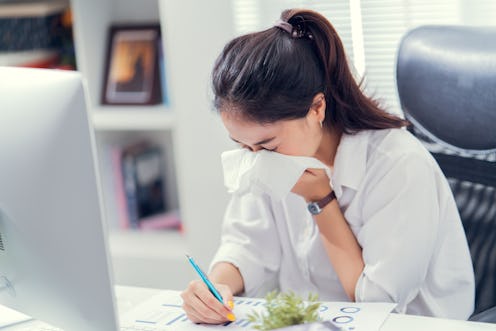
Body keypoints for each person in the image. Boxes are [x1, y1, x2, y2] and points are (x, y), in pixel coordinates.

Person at [180, 8, 475, 324]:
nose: (257, 158)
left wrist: (320, 200)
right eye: (243, 146)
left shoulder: (399, 167)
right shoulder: (266, 156)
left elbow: (377, 303)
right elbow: (246, 244)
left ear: (317, 108)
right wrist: (218, 286)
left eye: (267, 146)